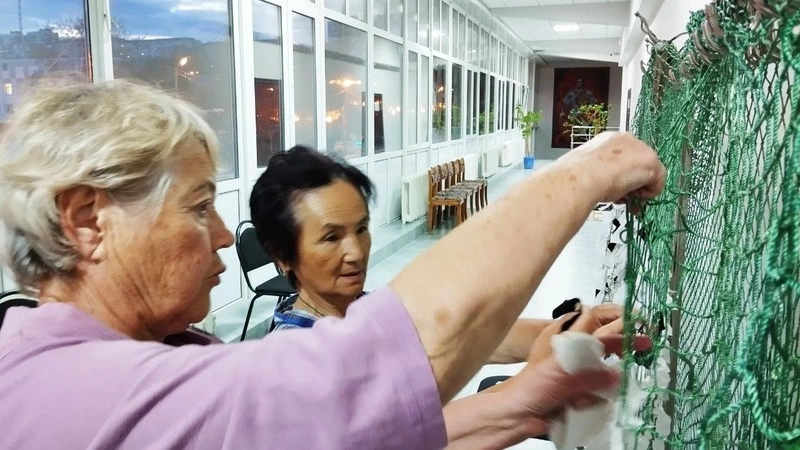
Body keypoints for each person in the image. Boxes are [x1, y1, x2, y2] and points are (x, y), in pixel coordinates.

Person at [0, 80, 664, 448]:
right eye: (199, 207)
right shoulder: (63, 392)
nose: (224, 236)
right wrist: (589, 170)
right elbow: (361, 376)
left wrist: (520, 405)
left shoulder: (157, 349)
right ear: (87, 221)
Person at [250, 146, 626, 365]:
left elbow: (473, 337)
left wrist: (586, 326)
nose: (355, 252)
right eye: (331, 237)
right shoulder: (294, 356)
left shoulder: (365, 310)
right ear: (283, 255)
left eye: (361, 229)